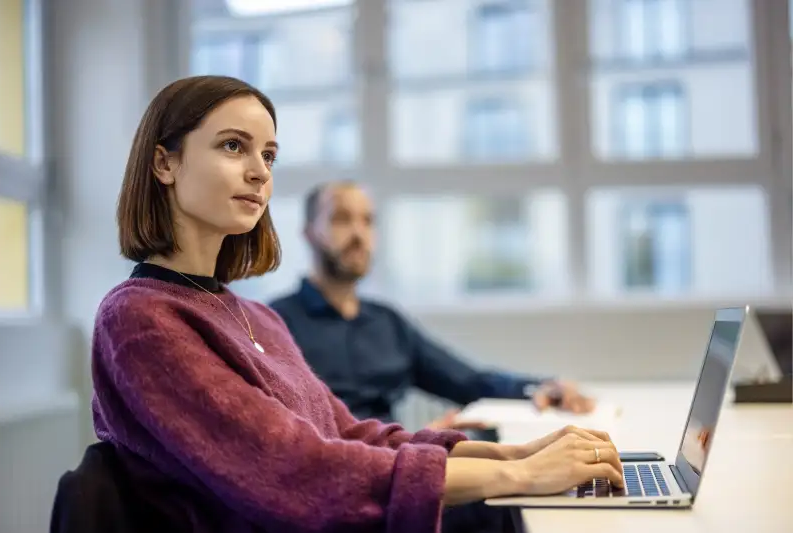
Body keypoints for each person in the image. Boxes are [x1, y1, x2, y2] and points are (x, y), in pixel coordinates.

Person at [91, 74, 623, 533]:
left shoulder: (253, 316)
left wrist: (513, 453)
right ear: (165, 163)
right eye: (234, 146)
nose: (259, 172)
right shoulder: (140, 318)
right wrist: (520, 476)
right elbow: (291, 468)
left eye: (269, 154)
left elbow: (350, 433)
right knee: (504, 508)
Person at [269, 181, 596, 430]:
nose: (358, 233)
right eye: (341, 219)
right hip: (337, 491)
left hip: (399, 477)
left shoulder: (387, 323)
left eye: (368, 221)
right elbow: (287, 437)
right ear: (309, 233)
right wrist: (418, 441)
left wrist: (540, 387)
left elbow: (470, 382)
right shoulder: (275, 324)